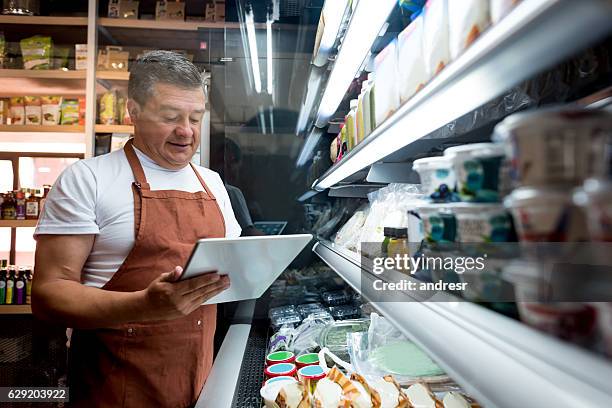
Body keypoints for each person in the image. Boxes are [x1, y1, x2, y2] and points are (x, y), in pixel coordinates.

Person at [32, 50, 241, 407]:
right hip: (116, 388)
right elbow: (48, 295)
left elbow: (229, 269)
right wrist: (143, 306)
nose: (186, 131)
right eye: (170, 117)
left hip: (199, 381)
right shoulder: (88, 179)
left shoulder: (213, 183)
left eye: (195, 117)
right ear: (134, 111)